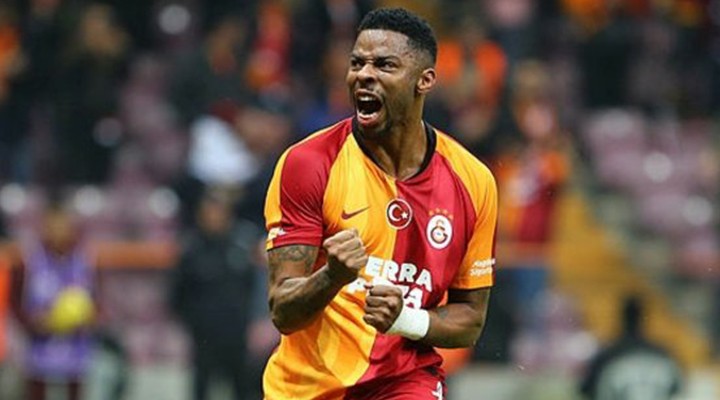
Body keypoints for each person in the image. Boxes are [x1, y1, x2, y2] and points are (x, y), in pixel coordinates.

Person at [263, 8, 498, 399]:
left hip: (404, 382)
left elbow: (470, 320)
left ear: (425, 80)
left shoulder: (473, 182)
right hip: (307, 389)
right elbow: (282, 312)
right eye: (357, 63)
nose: (364, 75)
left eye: (385, 65)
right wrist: (332, 276)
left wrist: (405, 320)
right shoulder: (308, 163)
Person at [169, 189, 267, 400]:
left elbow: (257, 287)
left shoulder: (243, 244)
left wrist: (256, 319)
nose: (214, 217)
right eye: (209, 212)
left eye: (218, 211)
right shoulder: (191, 249)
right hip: (204, 336)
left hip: (238, 334)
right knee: (202, 388)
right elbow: (178, 293)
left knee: (242, 388)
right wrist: (193, 323)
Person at [11, 203, 97, 400]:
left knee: (74, 390)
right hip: (38, 346)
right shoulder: (29, 261)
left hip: (75, 345)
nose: (58, 233)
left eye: (63, 227)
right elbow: (15, 303)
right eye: (53, 227)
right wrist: (33, 323)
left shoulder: (85, 260)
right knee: (36, 390)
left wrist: (87, 318)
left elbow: (99, 303)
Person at [579, 295, 683, 400]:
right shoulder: (662, 353)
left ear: (621, 317)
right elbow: (677, 388)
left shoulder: (608, 354)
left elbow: (585, 389)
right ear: (643, 317)